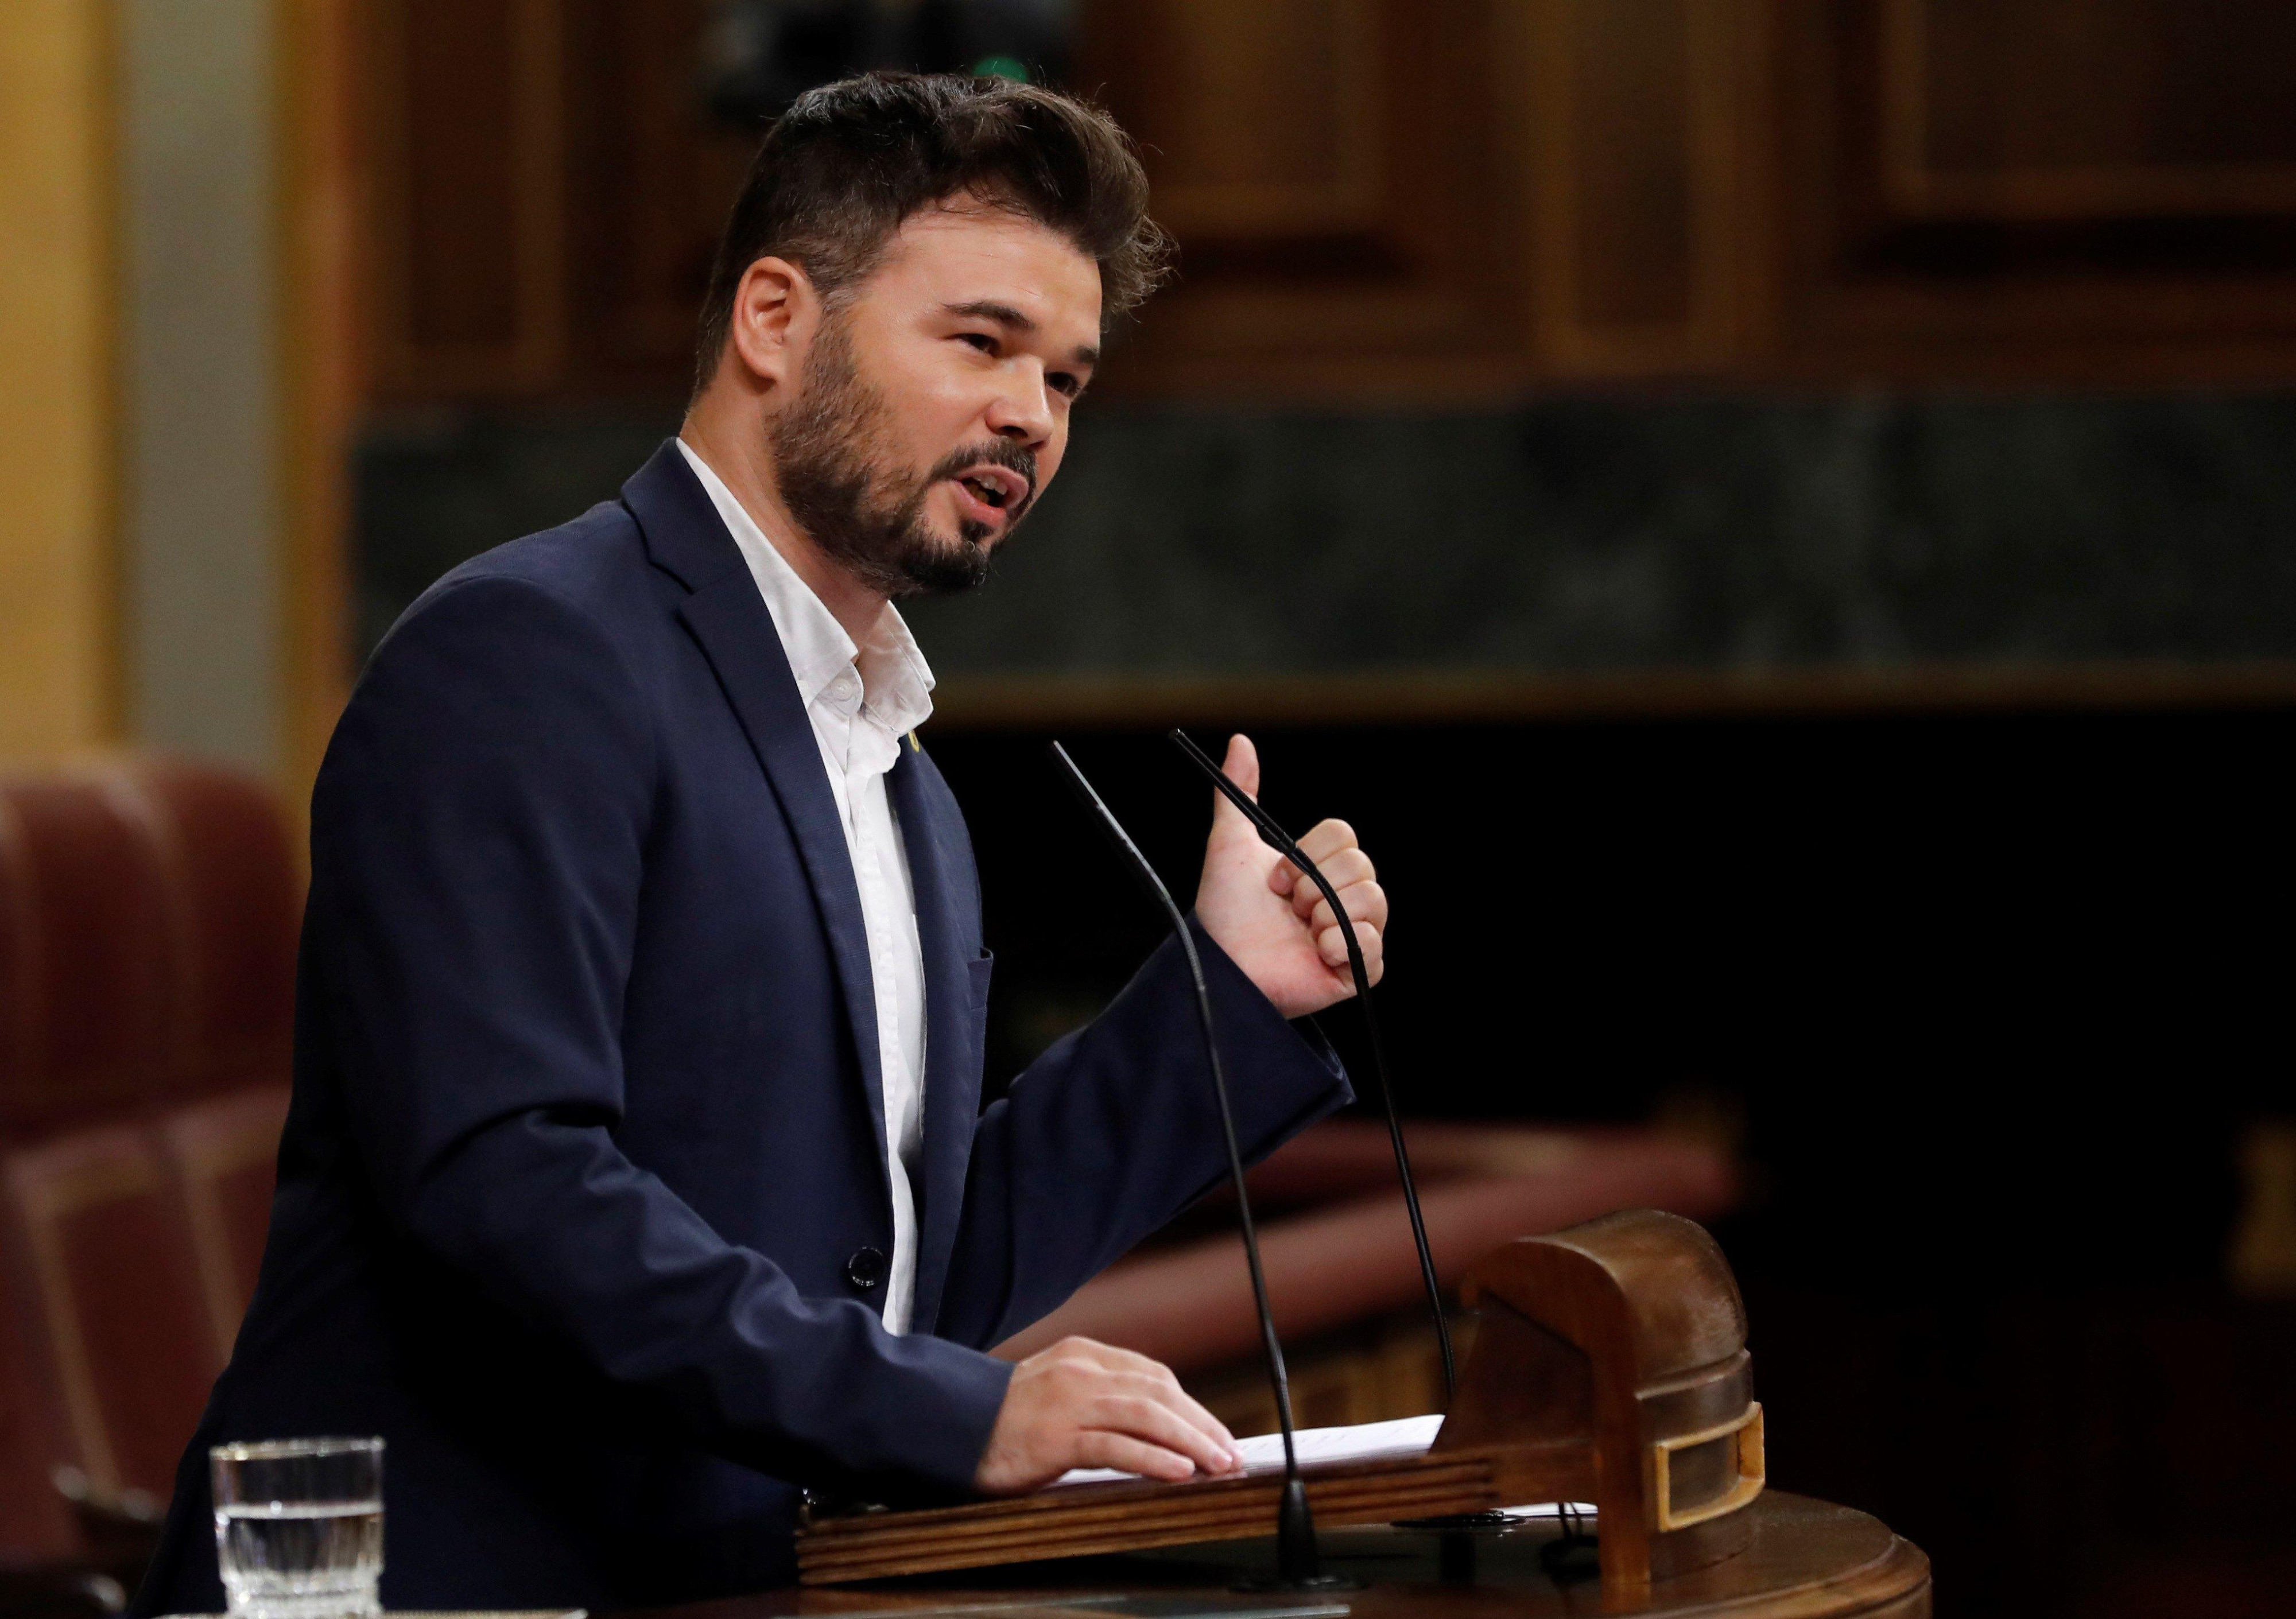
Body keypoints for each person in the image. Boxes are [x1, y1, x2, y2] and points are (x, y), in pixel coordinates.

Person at [135, 71, 1389, 1612]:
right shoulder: (528, 653)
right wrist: (960, 1414)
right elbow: (503, 1184)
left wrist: (1226, 1000)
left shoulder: (904, 781)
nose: (1030, 417)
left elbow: (908, 1274)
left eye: (1066, 379)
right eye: (982, 341)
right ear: (775, 319)